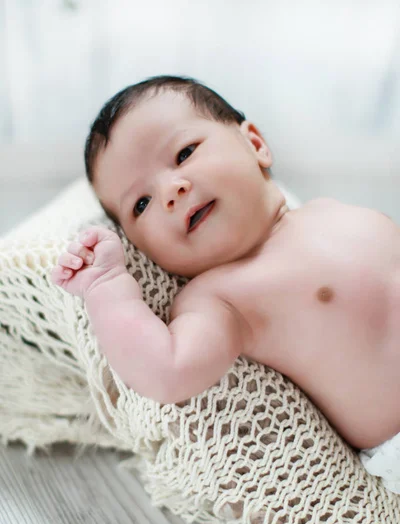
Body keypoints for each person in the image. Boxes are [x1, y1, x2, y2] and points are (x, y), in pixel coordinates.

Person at [51, 76, 400, 487]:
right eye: (141, 204)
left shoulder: (328, 210)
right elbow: (167, 370)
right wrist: (106, 286)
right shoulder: (219, 298)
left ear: (254, 144)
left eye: (184, 154)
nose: (170, 191)